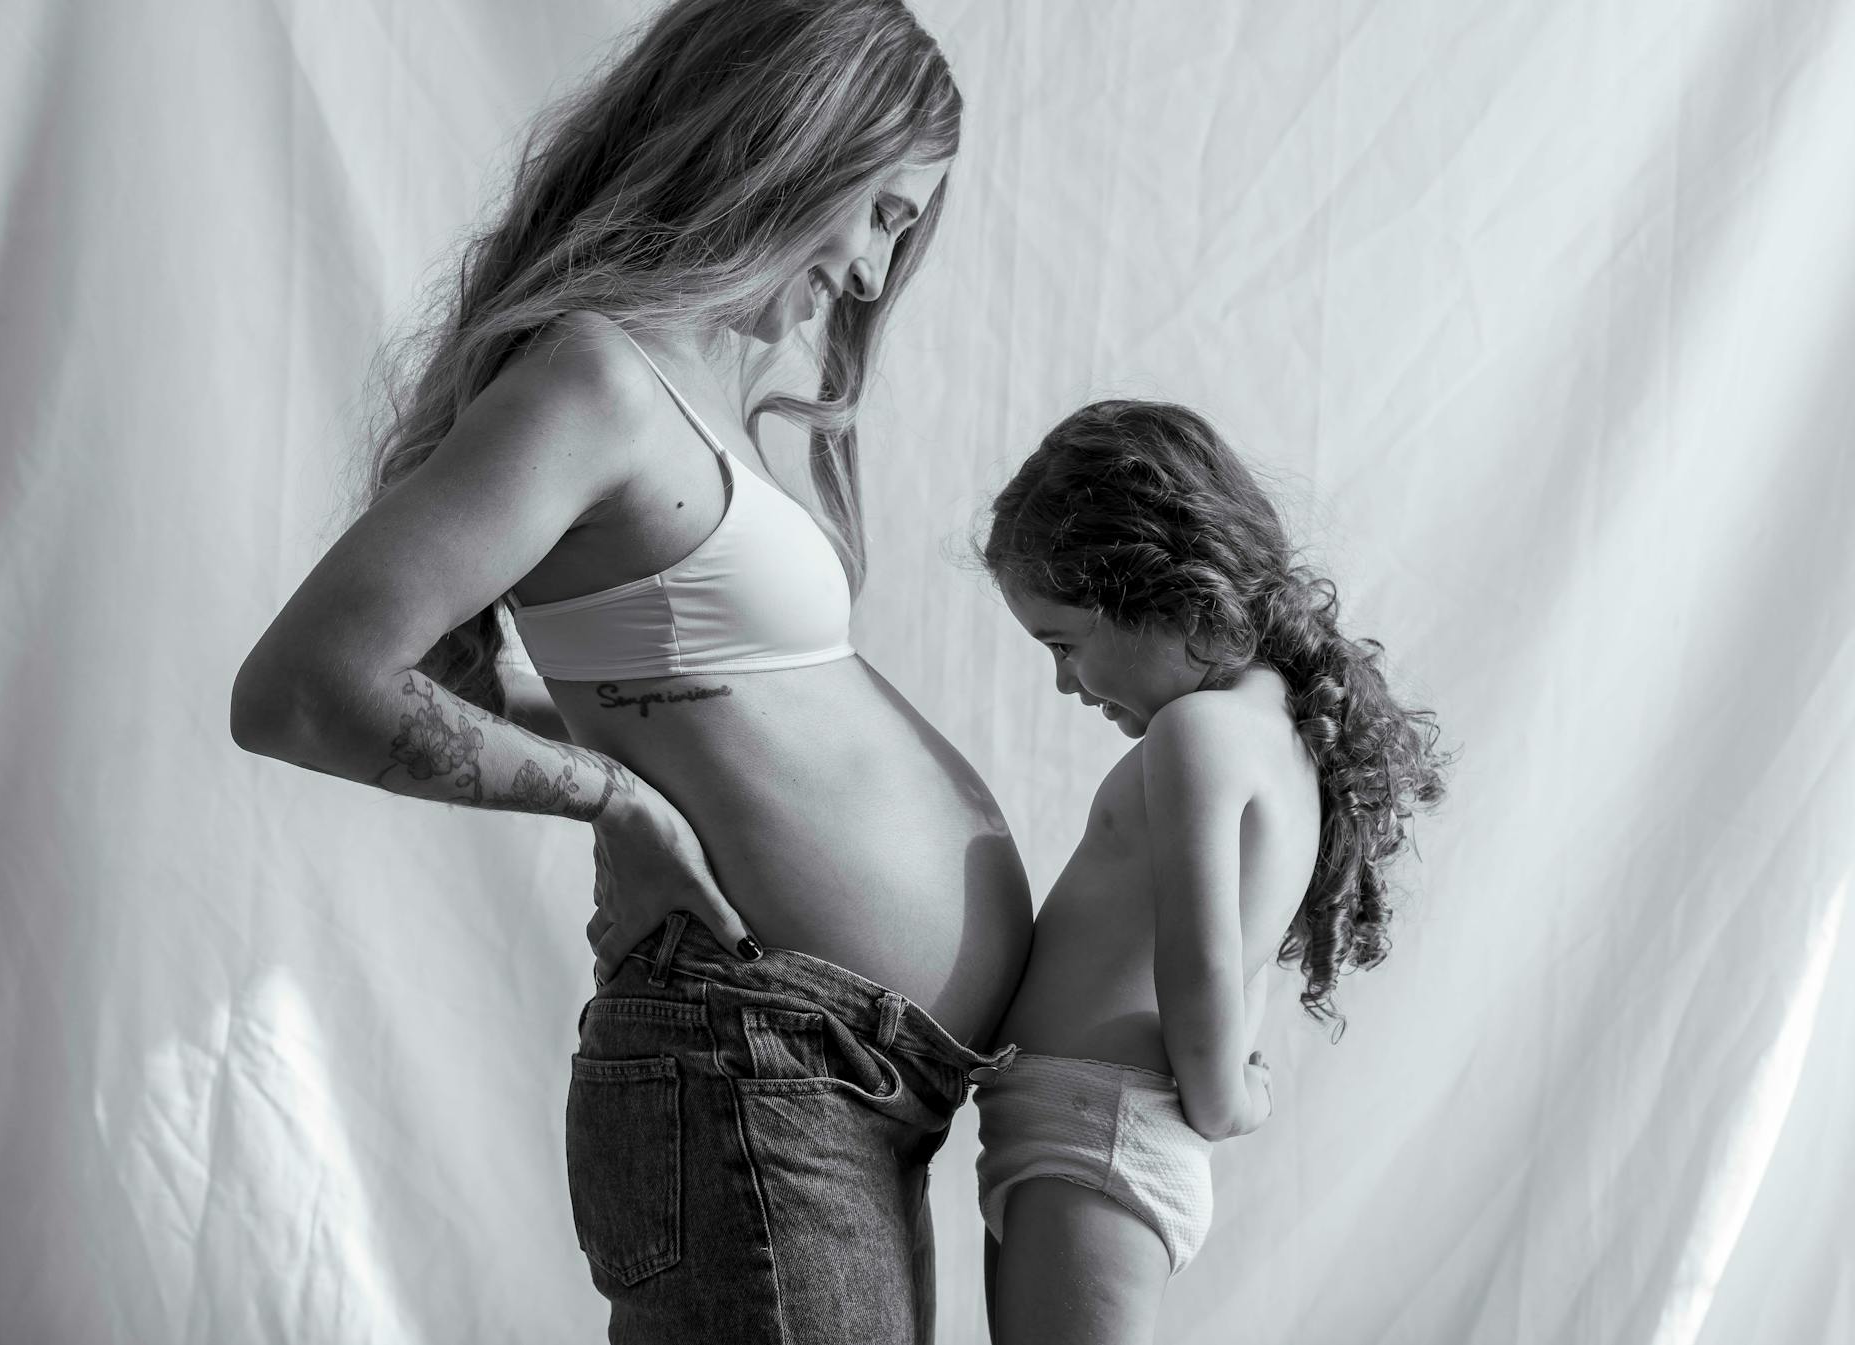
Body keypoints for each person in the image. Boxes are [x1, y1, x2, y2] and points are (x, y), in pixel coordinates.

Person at [229, 2, 1033, 1339]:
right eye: (884, 212)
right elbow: (307, 684)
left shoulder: (706, 382)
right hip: (754, 1069)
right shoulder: (600, 377)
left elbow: (548, 688)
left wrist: (621, 759)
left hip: (820, 1076)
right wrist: (621, 803)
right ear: (796, 139)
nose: (882, 273)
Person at [974, 400, 1449, 1343]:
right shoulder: (1264, 729)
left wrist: (1228, 1098)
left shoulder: (1202, 732)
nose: (1066, 683)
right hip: (1076, 1129)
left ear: (1160, 592)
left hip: (1097, 1133)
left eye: (1064, 644)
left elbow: (1200, 964)